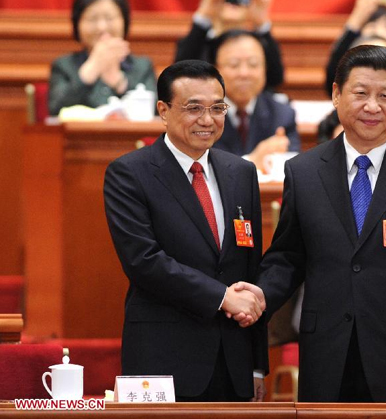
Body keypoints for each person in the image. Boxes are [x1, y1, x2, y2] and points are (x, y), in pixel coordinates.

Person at [237, 45, 386, 403]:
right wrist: (258, 295)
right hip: (327, 351)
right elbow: (287, 257)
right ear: (336, 95)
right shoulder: (303, 171)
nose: (372, 106)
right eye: (361, 93)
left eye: (385, 95)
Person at [103, 60, 268, 402]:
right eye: (194, 108)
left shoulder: (242, 173)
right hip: (165, 359)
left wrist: (256, 366)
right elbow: (144, 261)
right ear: (163, 110)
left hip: (233, 362)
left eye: (217, 108)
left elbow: (250, 270)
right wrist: (222, 297)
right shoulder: (129, 173)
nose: (207, 120)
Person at [211, 30, 300, 173]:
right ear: (216, 70)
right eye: (234, 65)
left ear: (265, 69)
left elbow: (292, 168)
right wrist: (252, 160)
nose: (244, 73)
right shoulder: (203, 114)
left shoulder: (282, 114)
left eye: (253, 64)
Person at [48, 0, 156, 116]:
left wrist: (120, 83)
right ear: (77, 23)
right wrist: (92, 68)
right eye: (92, 19)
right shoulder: (63, 66)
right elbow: (55, 109)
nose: (102, 27)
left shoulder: (142, 66)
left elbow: (157, 112)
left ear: (124, 20)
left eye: (109, 18)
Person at [174, 0, 284, 91]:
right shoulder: (197, 42)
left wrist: (261, 21)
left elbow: (275, 78)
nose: (233, 2)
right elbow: (180, 75)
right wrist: (203, 16)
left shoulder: (257, 43)